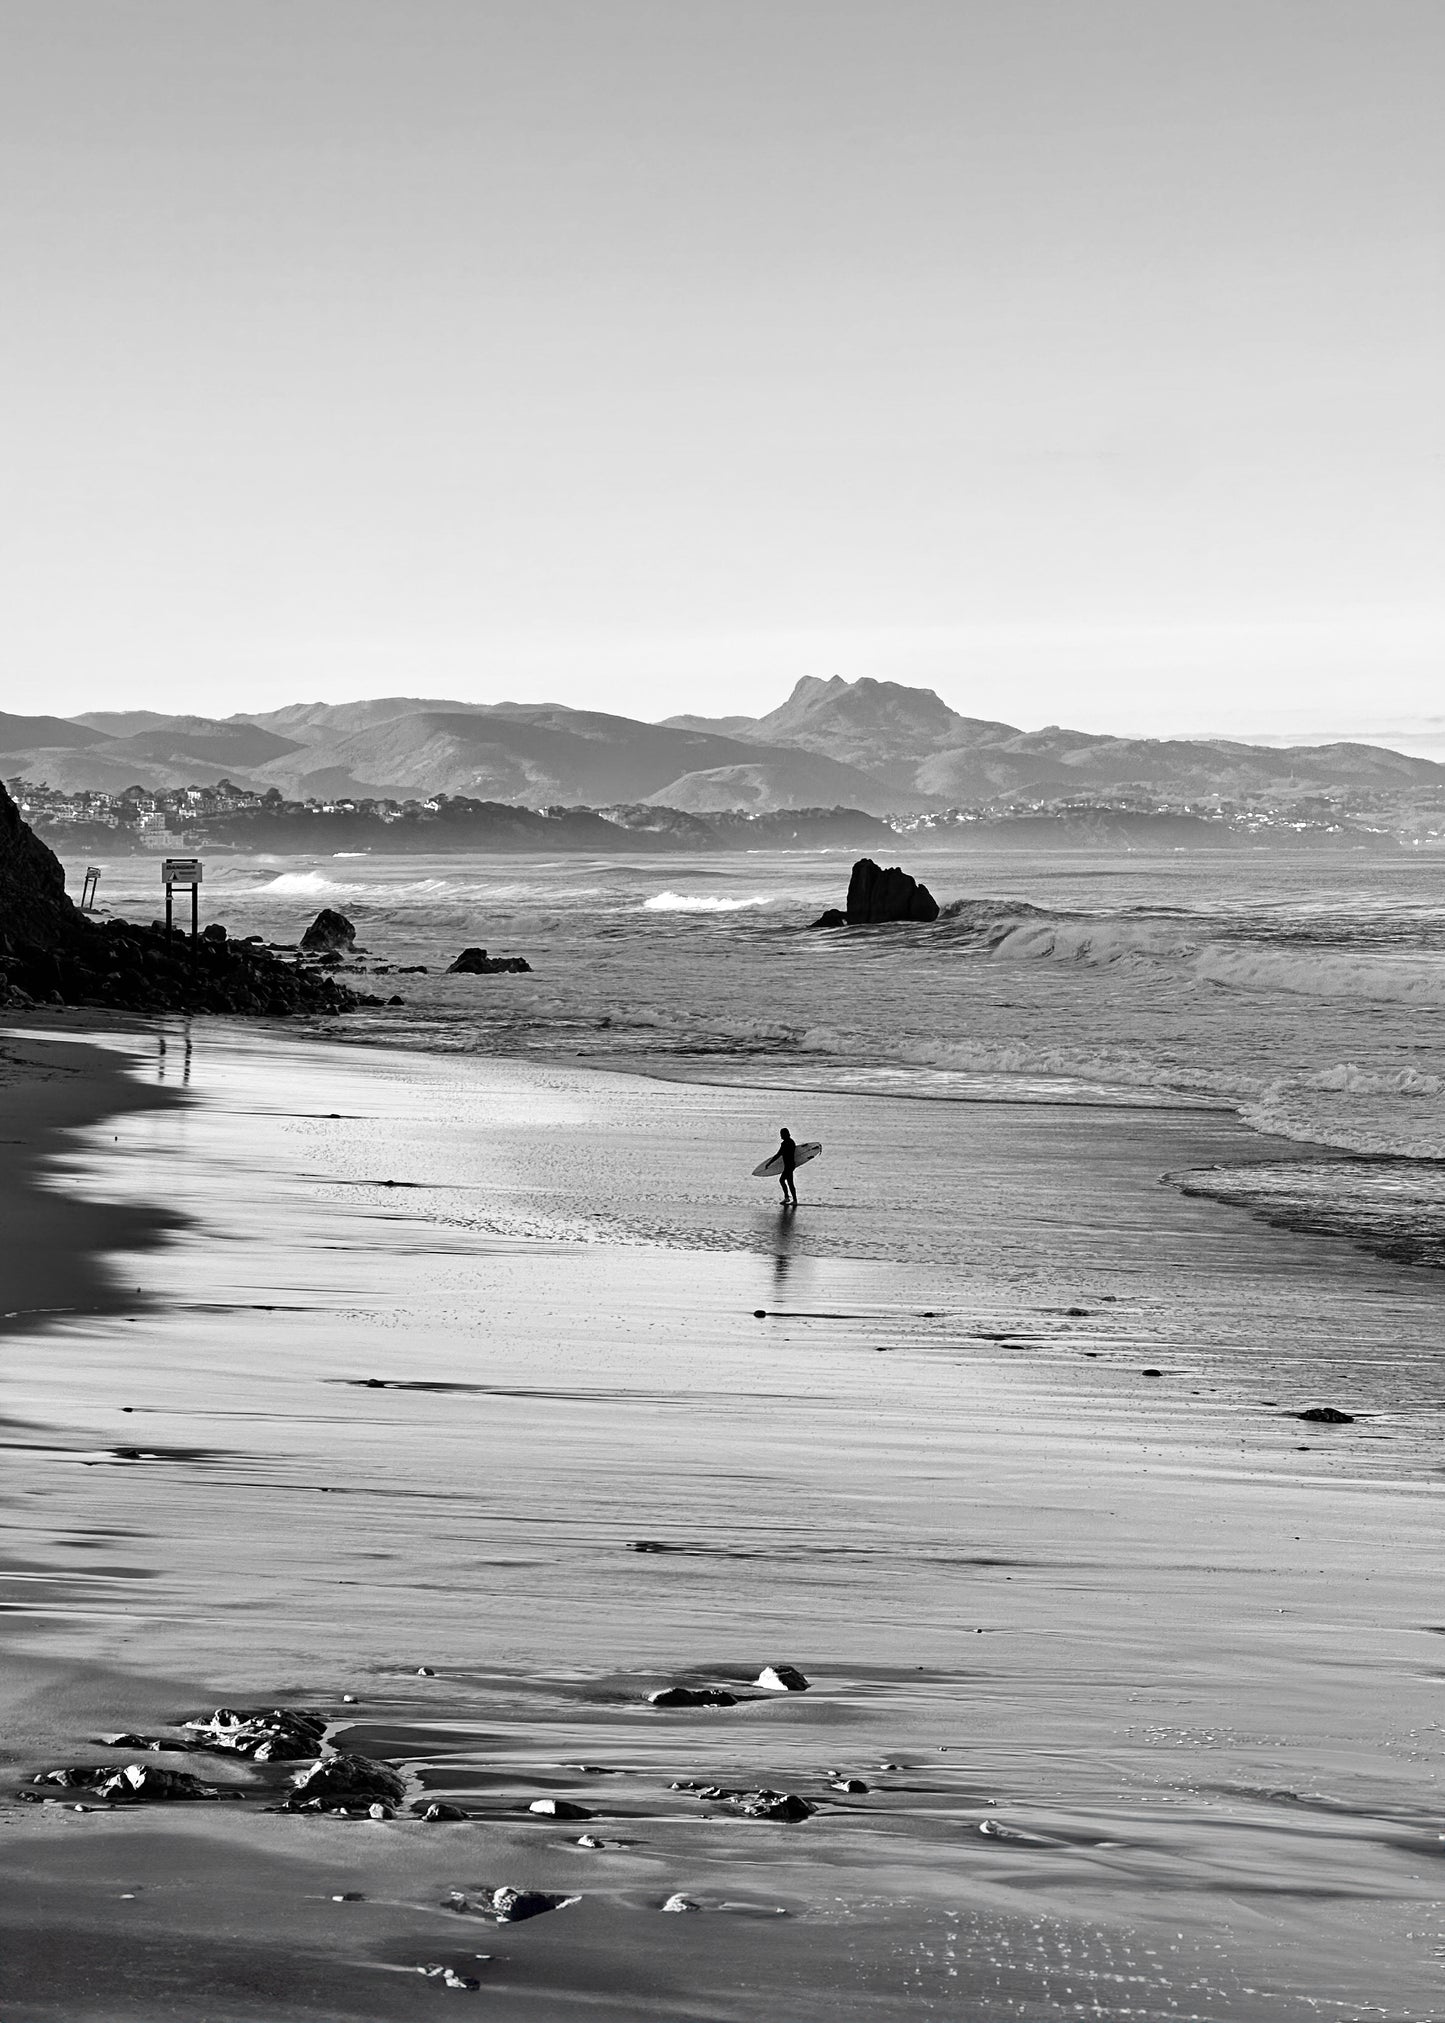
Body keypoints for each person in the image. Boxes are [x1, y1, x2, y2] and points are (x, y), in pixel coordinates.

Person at [777, 1126, 799, 1207]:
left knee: (783, 1180)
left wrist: (769, 1163)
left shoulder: (785, 1143)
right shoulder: (792, 1142)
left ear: (785, 1134)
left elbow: (778, 1154)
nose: (780, 1136)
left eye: (781, 1134)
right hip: (791, 1165)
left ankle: (790, 1198)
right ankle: (791, 1199)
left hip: (789, 1165)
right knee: (789, 1182)